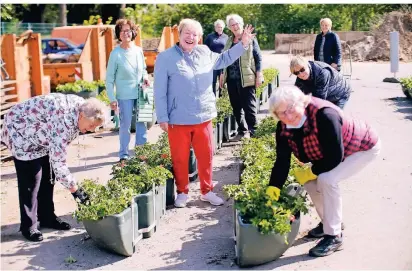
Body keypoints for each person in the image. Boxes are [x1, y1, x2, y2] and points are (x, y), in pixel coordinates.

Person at [265, 85, 381, 257]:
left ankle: (334, 235)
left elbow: (334, 157)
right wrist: (274, 186)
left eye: (290, 108)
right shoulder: (283, 128)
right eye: (281, 113)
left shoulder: (325, 115)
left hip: (362, 148)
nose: (288, 116)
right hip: (334, 154)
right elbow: (282, 160)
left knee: (327, 179)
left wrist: (312, 171)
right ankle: (330, 221)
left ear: (301, 102)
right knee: (310, 183)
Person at [154, 18, 256, 208]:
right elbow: (159, 90)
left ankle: (206, 191)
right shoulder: (166, 58)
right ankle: (182, 192)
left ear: (200, 37)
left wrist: (242, 44)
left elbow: (224, 59)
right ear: (179, 34)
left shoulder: (205, 52)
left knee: (206, 155)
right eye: (187, 33)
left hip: (203, 115)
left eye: (195, 34)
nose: (191, 37)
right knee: (180, 157)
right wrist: (162, 117)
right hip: (178, 118)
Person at [0, 93, 107, 242]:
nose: (92, 130)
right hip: (21, 130)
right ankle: (28, 226)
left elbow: (56, 158)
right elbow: (59, 163)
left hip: (42, 131)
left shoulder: (85, 107)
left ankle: (47, 218)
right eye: (91, 126)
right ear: (81, 116)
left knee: (48, 175)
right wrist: (76, 191)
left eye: (95, 127)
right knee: (32, 179)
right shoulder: (63, 122)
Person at [106, 19, 150, 162]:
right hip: (124, 95)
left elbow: (143, 69)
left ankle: (142, 152)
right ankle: (123, 155)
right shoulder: (115, 54)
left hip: (140, 93)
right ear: (119, 34)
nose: (126, 33)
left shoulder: (138, 51)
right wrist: (112, 98)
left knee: (141, 123)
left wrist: (145, 78)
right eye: (123, 31)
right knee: (125, 126)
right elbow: (109, 80)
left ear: (133, 32)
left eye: (128, 30)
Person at [221, 14, 263, 140]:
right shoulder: (229, 40)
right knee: (236, 107)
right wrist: (222, 74)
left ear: (242, 23)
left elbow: (258, 57)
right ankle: (243, 130)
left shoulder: (250, 38)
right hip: (232, 79)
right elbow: (224, 58)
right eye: (232, 25)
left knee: (249, 106)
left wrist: (259, 74)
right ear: (229, 27)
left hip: (247, 78)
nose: (235, 26)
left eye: (237, 23)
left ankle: (254, 131)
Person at [204, 19, 229, 96]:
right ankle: (212, 99)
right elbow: (205, 48)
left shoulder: (226, 37)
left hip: (223, 62)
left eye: (221, 27)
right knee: (212, 81)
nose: (219, 28)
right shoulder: (209, 37)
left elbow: (229, 50)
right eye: (218, 27)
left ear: (223, 28)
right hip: (212, 62)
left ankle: (222, 101)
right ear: (215, 28)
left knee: (223, 82)